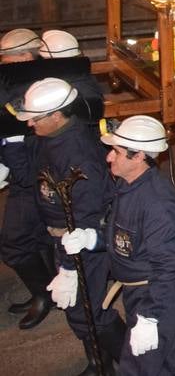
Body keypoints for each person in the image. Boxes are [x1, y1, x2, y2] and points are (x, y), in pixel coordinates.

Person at [59, 115, 175, 373]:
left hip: (157, 294)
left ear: (139, 156)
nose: (109, 157)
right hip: (140, 290)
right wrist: (91, 239)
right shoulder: (127, 186)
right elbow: (124, 237)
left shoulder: (159, 206)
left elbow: (167, 269)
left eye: (116, 152)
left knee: (137, 367)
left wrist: (150, 318)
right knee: (168, 358)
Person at [12, 78, 124, 373]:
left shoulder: (79, 154)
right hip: (60, 236)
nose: (29, 124)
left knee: (90, 312)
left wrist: (69, 267)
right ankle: (100, 364)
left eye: (35, 119)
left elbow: (86, 216)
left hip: (81, 242)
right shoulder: (49, 138)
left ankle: (137, 364)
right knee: (80, 312)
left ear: (56, 115)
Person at [1, 28, 54, 330]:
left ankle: (44, 293)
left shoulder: (31, 87)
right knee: (36, 237)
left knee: (14, 243)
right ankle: (47, 290)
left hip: (30, 175)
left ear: (25, 56)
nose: (4, 61)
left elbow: (19, 136)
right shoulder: (19, 80)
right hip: (22, 171)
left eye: (8, 56)